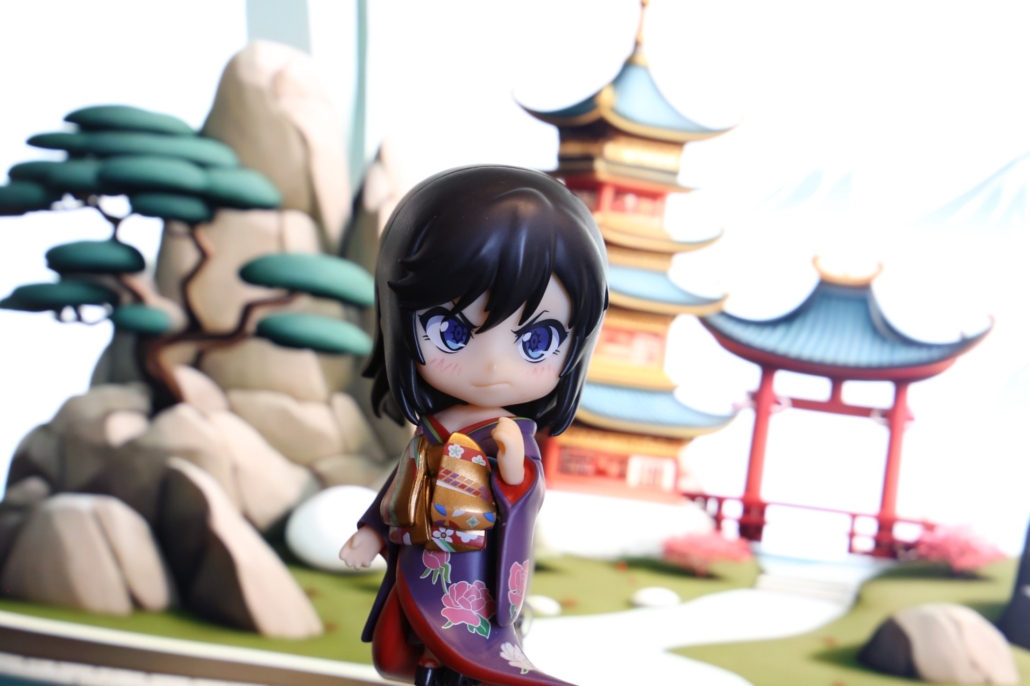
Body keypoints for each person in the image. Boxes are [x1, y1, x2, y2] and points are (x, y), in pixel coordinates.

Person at [339, 166, 608, 686]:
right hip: (419, 559)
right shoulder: (433, 429)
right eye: (451, 330)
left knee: (461, 653)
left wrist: (512, 463)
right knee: (400, 647)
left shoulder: (510, 434)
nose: (492, 365)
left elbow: (525, 493)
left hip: (472, 571)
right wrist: (371, 531)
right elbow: (401, 481)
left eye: (537, 340)